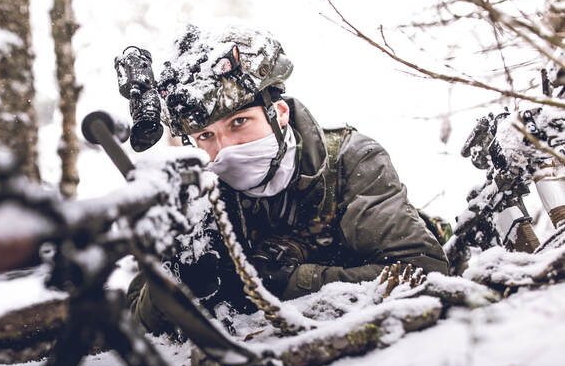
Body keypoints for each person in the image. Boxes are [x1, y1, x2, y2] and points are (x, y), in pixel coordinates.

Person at [127, 23, 449, 334]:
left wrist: (291, 282)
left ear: (279, 114)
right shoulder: (199, 194)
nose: (225, 148)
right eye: (206, 135)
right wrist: (175, 285)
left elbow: (424, 271)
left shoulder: (353, 161)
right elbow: (134, 321)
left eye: (240, 122)